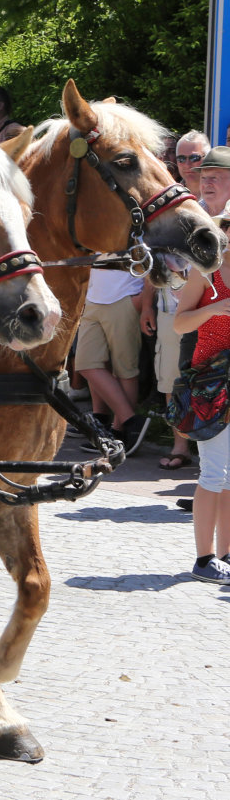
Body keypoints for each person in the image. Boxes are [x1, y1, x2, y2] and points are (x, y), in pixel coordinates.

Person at [169, 221, 230, 583]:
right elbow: (179, 324)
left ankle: (225, 554)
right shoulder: (206, 275)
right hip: (212, 384)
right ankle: (204, 558)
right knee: (213, 473)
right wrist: (215, 308)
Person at [153, 131, 212, 471]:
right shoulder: (166, 202)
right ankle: (181, 446)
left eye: (196, 158)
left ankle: (209, 461)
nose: (189, 165)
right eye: (182, 158)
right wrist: (149, 302)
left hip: (214, 312)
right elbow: (156, 258)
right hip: (172, 306)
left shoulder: (217, 201)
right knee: (172, 378)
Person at [75, 264, 150, 454]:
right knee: (86, 363)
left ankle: (120, 434)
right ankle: (131, 421)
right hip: (92, 300)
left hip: (125, 298)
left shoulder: (137, 233)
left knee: (125, 370)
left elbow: (152, 262)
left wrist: (144, 303)